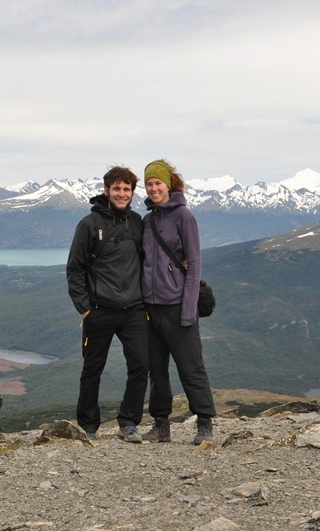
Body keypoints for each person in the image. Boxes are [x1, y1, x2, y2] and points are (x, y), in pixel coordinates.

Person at [66, 165, 149, 443]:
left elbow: (151, 259)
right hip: (99, 310)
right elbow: (75, 268)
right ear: (106, 190)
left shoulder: (137, 222)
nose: (122, 193)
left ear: (132, 193)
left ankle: (128, 423)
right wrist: (85, 308)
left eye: (127, 189)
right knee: (92, 369)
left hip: (134, 310)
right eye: (117, 189)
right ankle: (88, 427)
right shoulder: (89, 225)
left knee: (140, 365)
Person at [140, 159, 216, 445]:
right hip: (151, 307)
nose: (153, 187)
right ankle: (161, 425)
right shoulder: (148, 221)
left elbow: (194, 264)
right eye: (149, 184)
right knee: (156, 369)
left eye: (158, 182)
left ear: (169, 184)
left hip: (177, 305)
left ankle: (205, 423)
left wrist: (188, 308)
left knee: (190, 366)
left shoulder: (183, 216)